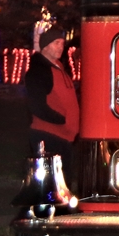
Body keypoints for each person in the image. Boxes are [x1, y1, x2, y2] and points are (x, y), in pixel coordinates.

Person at [24, 26, 79, 182]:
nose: (61, 47)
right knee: (50, 185)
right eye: (56, 43)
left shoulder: (58, 68)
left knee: (63, 184)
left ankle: (62, 207)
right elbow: (36, 105)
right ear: (45, 46)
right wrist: (61, 119)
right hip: (48, 135)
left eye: (62, 43)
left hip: (64, 137)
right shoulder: (39, 71)